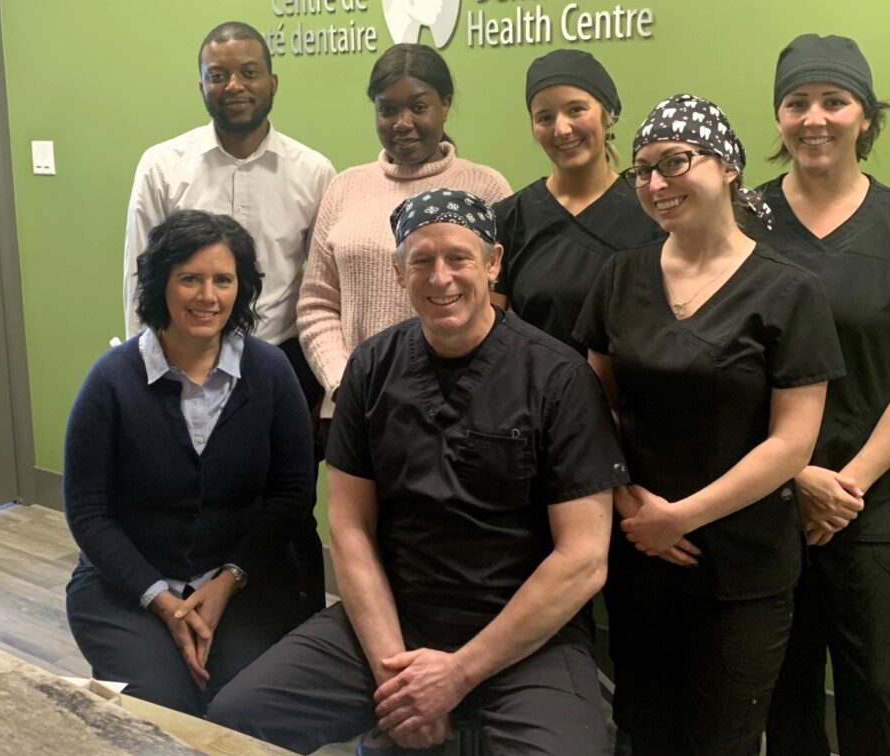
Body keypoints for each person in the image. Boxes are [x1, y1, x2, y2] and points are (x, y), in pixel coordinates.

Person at [209, 189, 629, 756]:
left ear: (493, 262)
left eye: (458, 257)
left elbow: (583, 558)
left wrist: (456, 675)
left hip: (526, 635)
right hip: (394, 618)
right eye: (421, 260)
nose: (440, 277)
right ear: (398, 270)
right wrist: (394, 674)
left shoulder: (557, 378)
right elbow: (350, 527)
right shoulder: (371, 369)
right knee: (236, 719)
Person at [573, 94, 845, 756]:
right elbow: (594, 406)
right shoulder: (620, 277)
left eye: (675, 163)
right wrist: (630, 504)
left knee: (718, 745)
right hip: (640, 553)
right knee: (646, 729)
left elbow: (792, 444)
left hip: (742, 571)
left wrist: (681, 518)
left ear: (726, 167)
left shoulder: (788, 290)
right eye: (642, 170)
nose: (657, 185)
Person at [760, 35, 890, 756]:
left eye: (834, 101)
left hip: (871, 500)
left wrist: (849, 483)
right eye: (797, 102)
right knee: (785, 688)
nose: (815, 118)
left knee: (879, 685)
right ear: (778, 118)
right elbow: (726, 370)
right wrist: (794, 473)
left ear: (866, 118)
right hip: (770, 495)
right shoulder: (743, 222)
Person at [65, 210, 316, 717]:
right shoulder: (112, 380)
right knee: (163, 710)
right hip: (128, 586)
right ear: (162, 285)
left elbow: (292, 494)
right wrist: (161, 598)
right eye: (190, 279)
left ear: (241, 288)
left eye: (223, 280)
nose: (208, 296)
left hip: (247, 583)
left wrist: (227, 582)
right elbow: (88, 511)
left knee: (238, 707)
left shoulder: (270, 372)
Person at [122, 20, 333, 617]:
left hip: (283, 368)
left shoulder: (313, 172)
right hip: (182, 361)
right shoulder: (163, 166)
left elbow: (320, 287)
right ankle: (182, 613)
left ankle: (294, 628)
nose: (234, 85)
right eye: (218, 75)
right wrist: (144, 380)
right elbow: (140, 283)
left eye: (248, 72)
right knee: (189, 495)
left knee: (288, 506)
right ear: (201, 85)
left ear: (272, 80)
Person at [297, 43, 510, 430]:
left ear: (445, 105)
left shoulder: (486, 188)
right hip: (355, 408)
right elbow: (317, 304)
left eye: (418, 106)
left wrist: (458, 392)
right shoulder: (345, 188)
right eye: (387, 109)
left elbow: (501, 305)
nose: (402, 122)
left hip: (460, 411)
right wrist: (345, 383)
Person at [493, 48, 661, 353]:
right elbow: (490, 336)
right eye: (544, 117)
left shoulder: (653, 210)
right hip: (538, 394)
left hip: (633, 397)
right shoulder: (509, 219)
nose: (562, 129)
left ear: (608, 114)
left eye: (576, 110)